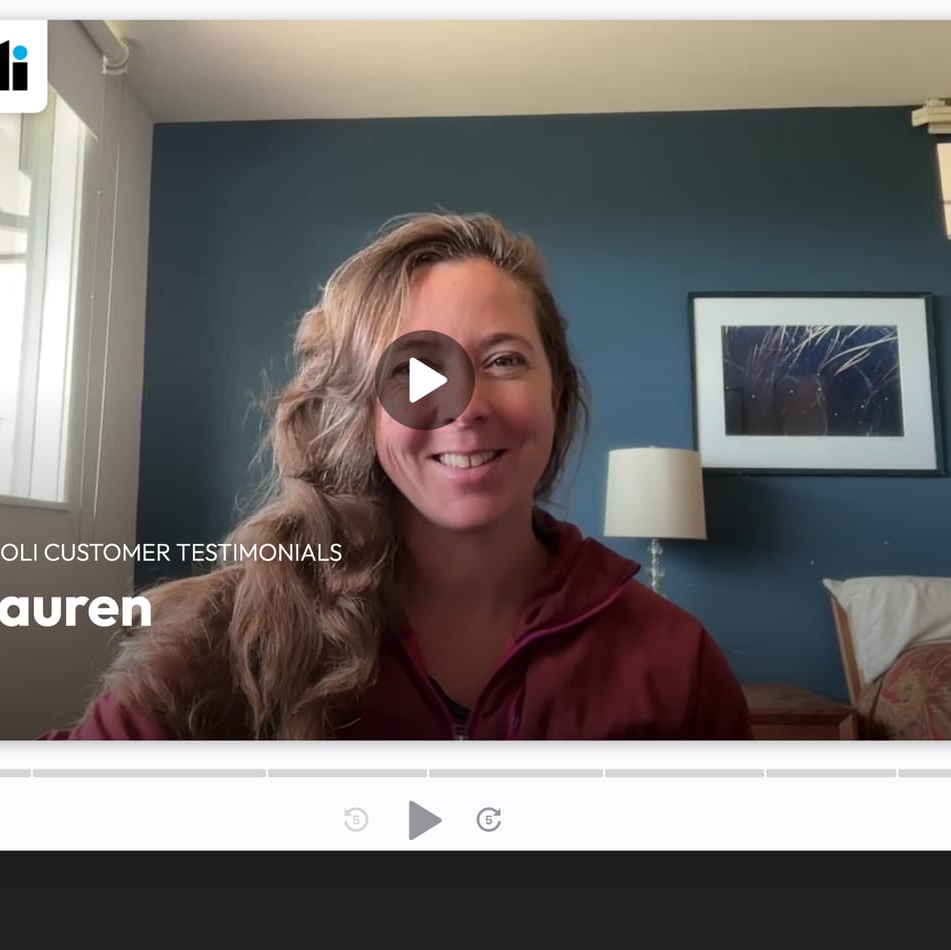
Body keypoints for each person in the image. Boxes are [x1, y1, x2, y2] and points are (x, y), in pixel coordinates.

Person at [44, 212, 750, 740]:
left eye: (503, 360)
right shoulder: (227, 638)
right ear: (364, 411)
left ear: (556, 392)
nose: (465, 408)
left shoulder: (674, 661)